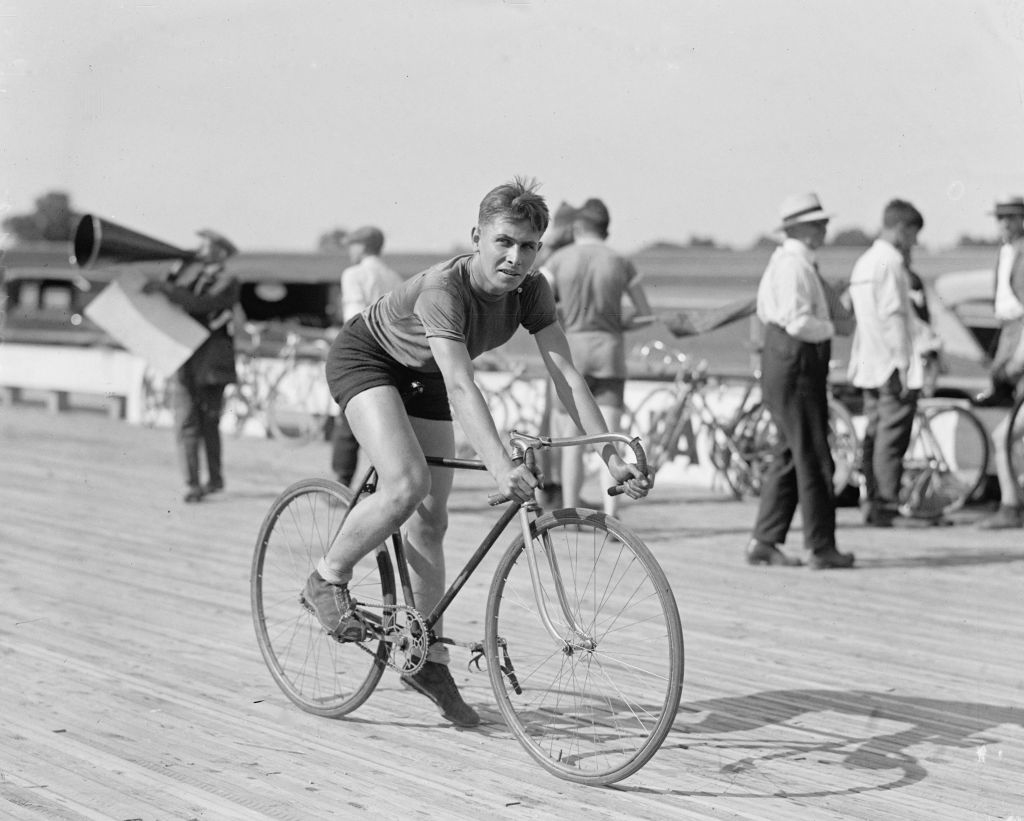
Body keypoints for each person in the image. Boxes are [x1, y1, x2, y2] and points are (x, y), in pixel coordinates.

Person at [304, 177, 651, 727]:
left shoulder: (533, 290)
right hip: (370, 361)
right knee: (405, 484)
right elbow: (464, 387)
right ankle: (328, 574)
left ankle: (426, 657)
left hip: (429, 376)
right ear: (477, 237)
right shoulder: (443, 289)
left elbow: (566, 375)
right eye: (504, 242)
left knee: (431, 522)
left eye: (530, 246)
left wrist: (610, 454)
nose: (516, 258)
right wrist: (500, 465)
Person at [745, 193, 854, 569]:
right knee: (813, 456)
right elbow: (798, 321)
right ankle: (820, 545)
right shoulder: (796, 266)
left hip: (783, 363)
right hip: (797, 363)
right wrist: (831, 328)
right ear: (801, 229)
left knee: (791, 454)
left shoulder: (784, 261)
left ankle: (764, 540)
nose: (825, 228)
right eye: (819, 223)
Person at [540, 198, 655, 516]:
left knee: (571, 441)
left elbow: (539, 305)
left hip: (570, 354)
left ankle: (568, 509)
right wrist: (615, 321)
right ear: (607, 229)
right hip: (609, 353)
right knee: (611, 438)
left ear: (577, 226)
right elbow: (645, 316)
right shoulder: (620, 261)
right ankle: (611, 512)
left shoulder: (559, 260)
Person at [847, 199, 930, 528]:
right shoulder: (892, 262)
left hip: (867, 363)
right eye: (913, 234)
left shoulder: (864, 262)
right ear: (901, 229)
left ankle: (872, 501)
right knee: (892, 438)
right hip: (890, 364)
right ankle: (886, 504)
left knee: (874, 433)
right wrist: (903, 365)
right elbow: (895, 317)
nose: (914, 243)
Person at [143, 230, 241, 503]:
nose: (199, 248)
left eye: (206, 244)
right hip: (184, 359)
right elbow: (175, 295)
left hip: (211, 364)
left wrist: (169, 288)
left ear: (221, 251)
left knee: (209, 423)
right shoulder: (189, 274)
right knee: (185, 421)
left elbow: (201, 304)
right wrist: (174, 273)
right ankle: (192, 483)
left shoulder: (228, 280)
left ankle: (214, 478)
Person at [330, 225, 403, 486]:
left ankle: (342, 481)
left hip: (360, 355)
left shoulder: (354, 274)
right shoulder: (394, 277)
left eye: (352, 245)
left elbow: (354, 320)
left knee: (348, 422)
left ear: (362, 246)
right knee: (385, 424)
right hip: (391, 356)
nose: (350, 250)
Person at [977, 196, 1024, 529]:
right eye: (1000, 218)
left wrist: (1014, 363)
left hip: (1018, 337)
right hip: (1010, 335)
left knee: (1004, 436)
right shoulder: (1007, 253)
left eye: (1011, 218)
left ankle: (1011, 505)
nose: (1004, 224)